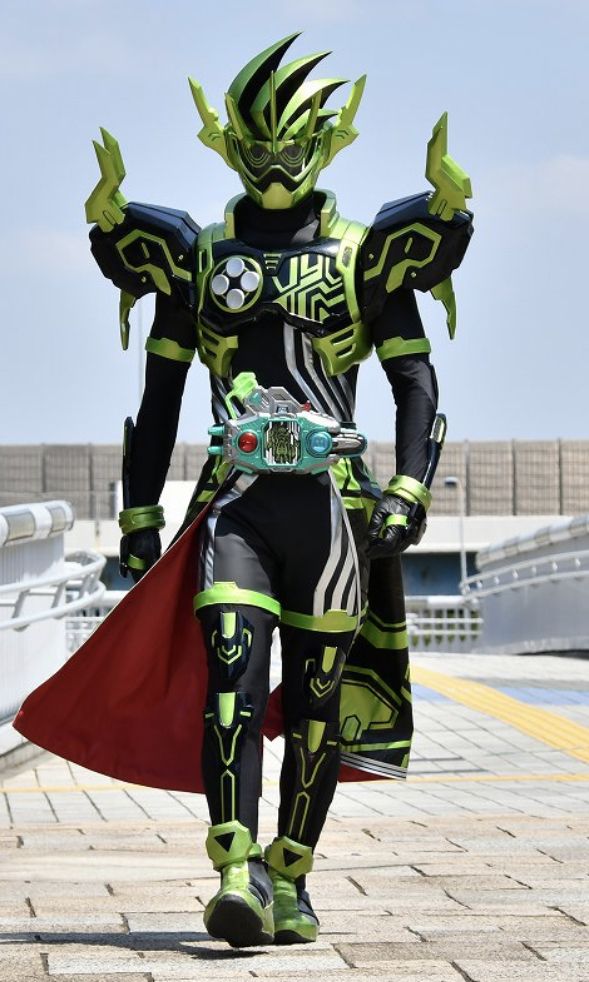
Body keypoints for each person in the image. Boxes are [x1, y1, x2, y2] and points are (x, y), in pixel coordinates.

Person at [14, 32, 473, 949]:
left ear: (324, 143)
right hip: (236, 502)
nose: (274, 163)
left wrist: (407, 491)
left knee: (316, 704)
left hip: (336, 511)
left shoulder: (365, 253)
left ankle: (289, 873)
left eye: (290, 144)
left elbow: (415, 382)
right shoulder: (195, 257)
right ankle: (233, 867)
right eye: (258, 144)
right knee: (232, 674)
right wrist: (139, 513)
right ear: (228, 144)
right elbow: (159, 396)